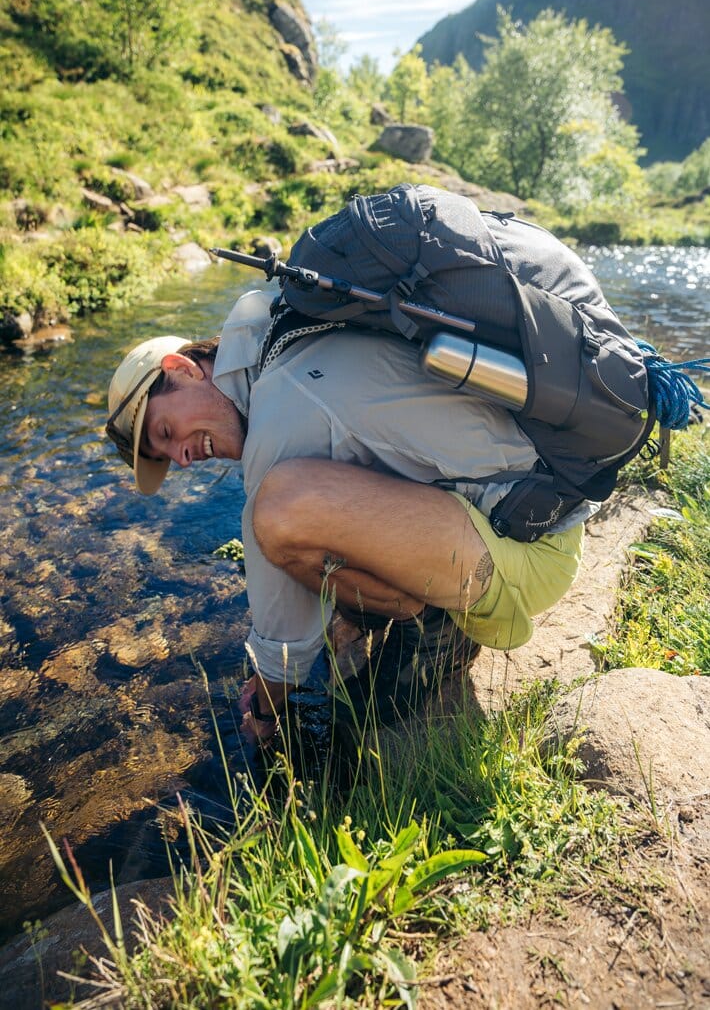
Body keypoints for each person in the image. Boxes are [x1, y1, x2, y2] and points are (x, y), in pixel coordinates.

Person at [106, 288, 592, 742]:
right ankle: (396, 616)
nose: (184, 458)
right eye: (169, 457)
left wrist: (266, 707)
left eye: (167, 430)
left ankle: (436, 634)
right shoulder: (274, 319)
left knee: (279, 512)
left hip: (530, 550)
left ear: (185, 368)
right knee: (298, 508)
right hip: (537, 504)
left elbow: (281, 626)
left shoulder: (282, 402)